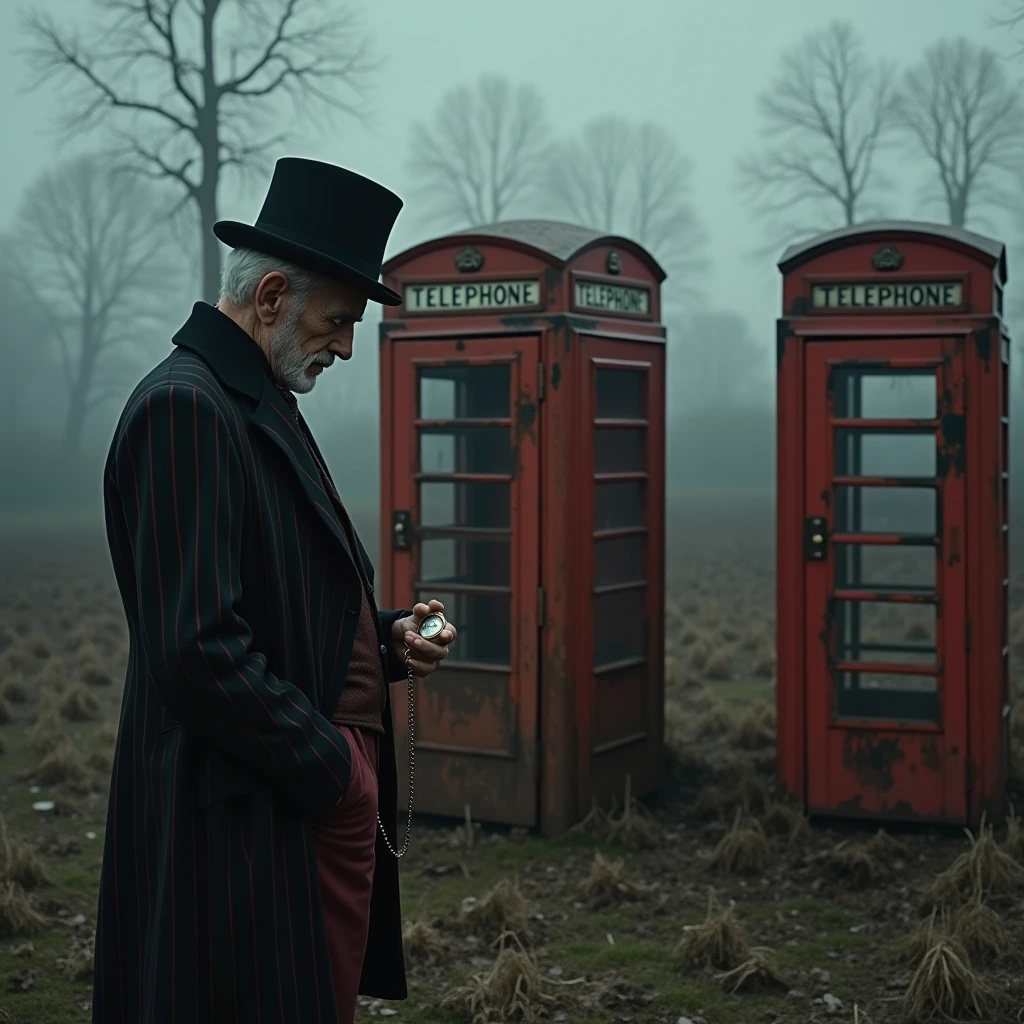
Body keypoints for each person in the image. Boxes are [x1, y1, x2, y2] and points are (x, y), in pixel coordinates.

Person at [93, 157, 456, 1024]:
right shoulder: (186, 408)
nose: (346, 345)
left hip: (279, 808)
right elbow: (198, 647)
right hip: (241, 820)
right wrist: (336, 774)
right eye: (337, 321)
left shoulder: (253, 397)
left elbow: (276, 602)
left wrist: (386, 637)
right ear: (270, 298)